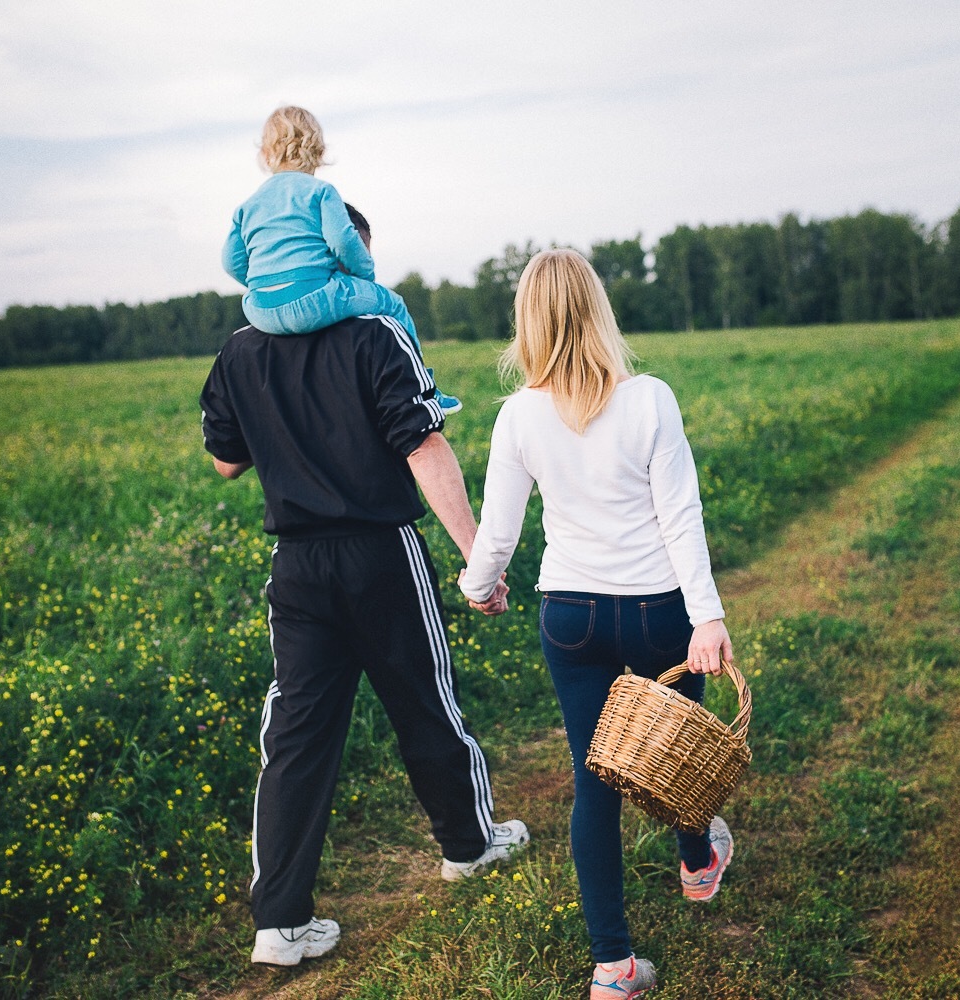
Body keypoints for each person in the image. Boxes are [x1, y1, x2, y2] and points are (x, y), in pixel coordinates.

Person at [200, 261, 524, 966]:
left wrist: (283, 419)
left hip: (296, 566)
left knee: (295, 733)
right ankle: (468, 848)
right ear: (342, 257)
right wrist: (479, 559)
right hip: (380, 551)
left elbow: (225, 460)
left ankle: (280, 925)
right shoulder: (376, 332)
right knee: (423, 701)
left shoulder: (240, 348)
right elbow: (423, 443)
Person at [458, 249, 736, 999]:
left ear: (529, 325)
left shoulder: (518, 415)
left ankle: (612, 968)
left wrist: (478, 586)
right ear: (598, 310)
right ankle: (697, 861)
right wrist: (705, 616)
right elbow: (681, 517)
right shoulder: (650, 398)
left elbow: (498, 533)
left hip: (570, 615)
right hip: (655, 612)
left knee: (595, 779)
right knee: (675, 751)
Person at [221, 104, 461, 413]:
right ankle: (424, 389)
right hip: (312, 300)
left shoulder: (247, 206)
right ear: (316, 148)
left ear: (266, 151)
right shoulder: (320, 192)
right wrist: (364, 275)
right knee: (393, 303)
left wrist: (263, 283)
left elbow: (231, 261)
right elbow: (343, 241)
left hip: (260, 310)